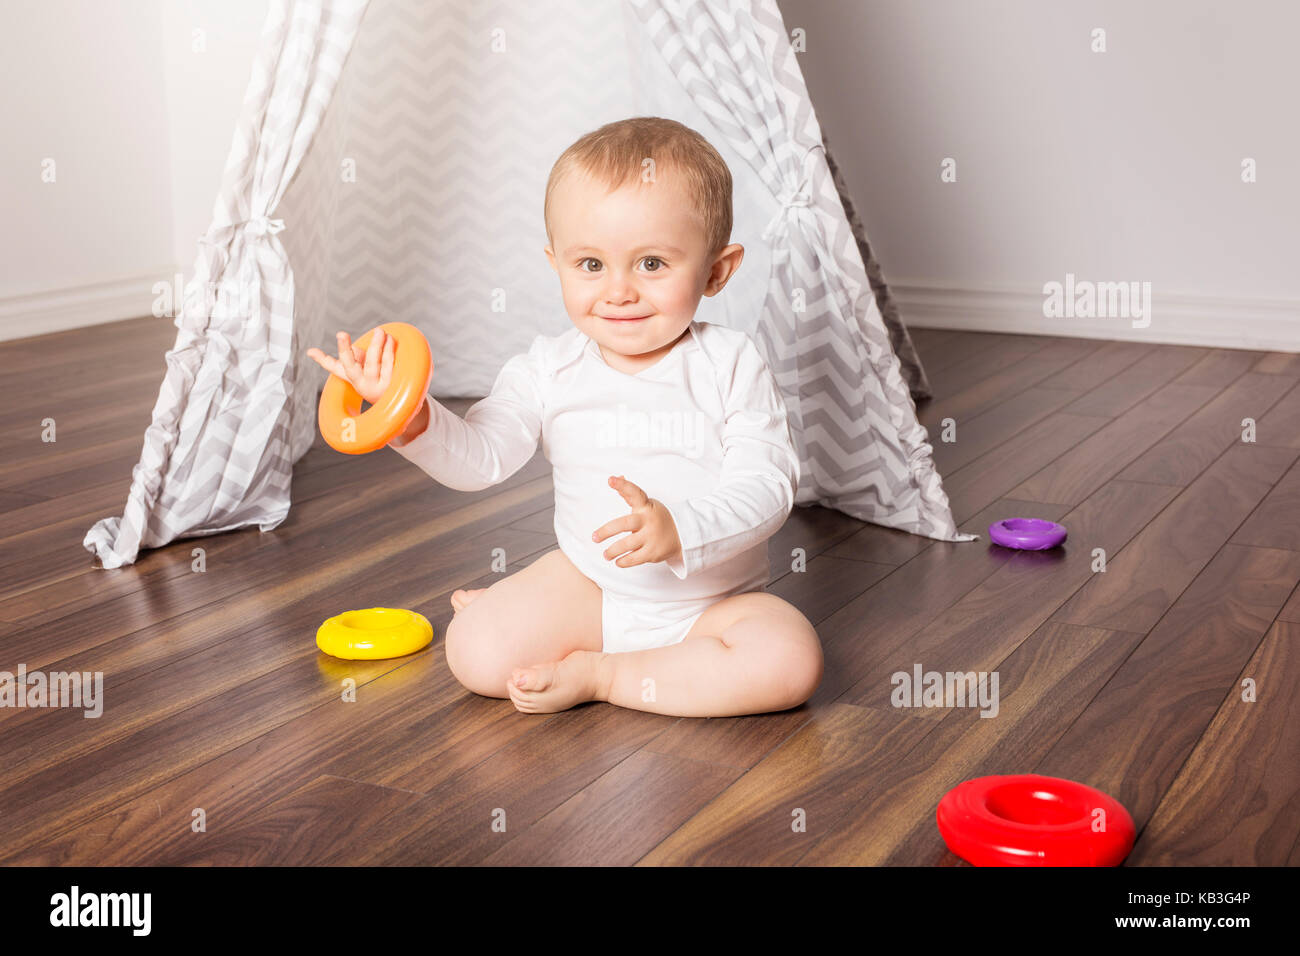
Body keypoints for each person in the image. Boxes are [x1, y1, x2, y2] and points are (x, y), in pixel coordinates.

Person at [308, 116, 822, 717]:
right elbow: (483, 456)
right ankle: (533, 611)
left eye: (652, 264)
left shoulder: (732, 362)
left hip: (713, 605)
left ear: (716, 270)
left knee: (789, 661)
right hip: (591, 589)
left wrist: (683, 528)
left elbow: (767, 483)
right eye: (591, 265)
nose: (619, 291)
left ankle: (603, 675)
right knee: (475, 653)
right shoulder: (546, 368)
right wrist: (410, 418)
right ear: (556, 263)